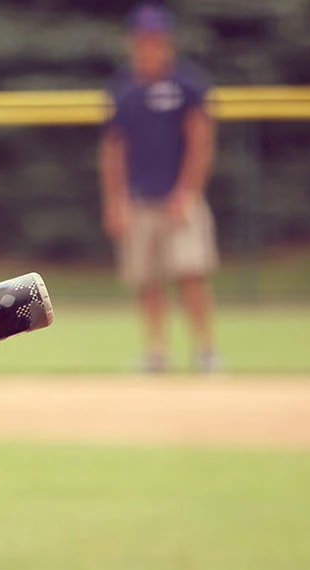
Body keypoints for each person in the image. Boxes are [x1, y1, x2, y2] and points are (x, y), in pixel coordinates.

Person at [100, 3, 220, 374]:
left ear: (169, 41)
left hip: (179, 199)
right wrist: (115, 201)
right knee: (147, 279)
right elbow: (113, 149)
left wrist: (188, 192)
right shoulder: (124, 88)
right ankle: (157, 352)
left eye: (156, 39)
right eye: (143, 39)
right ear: (133, 42)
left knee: (191, 272)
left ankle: (206, 351)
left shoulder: (188, 84)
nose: (149, 46)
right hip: (139, 200)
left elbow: (201, 140)